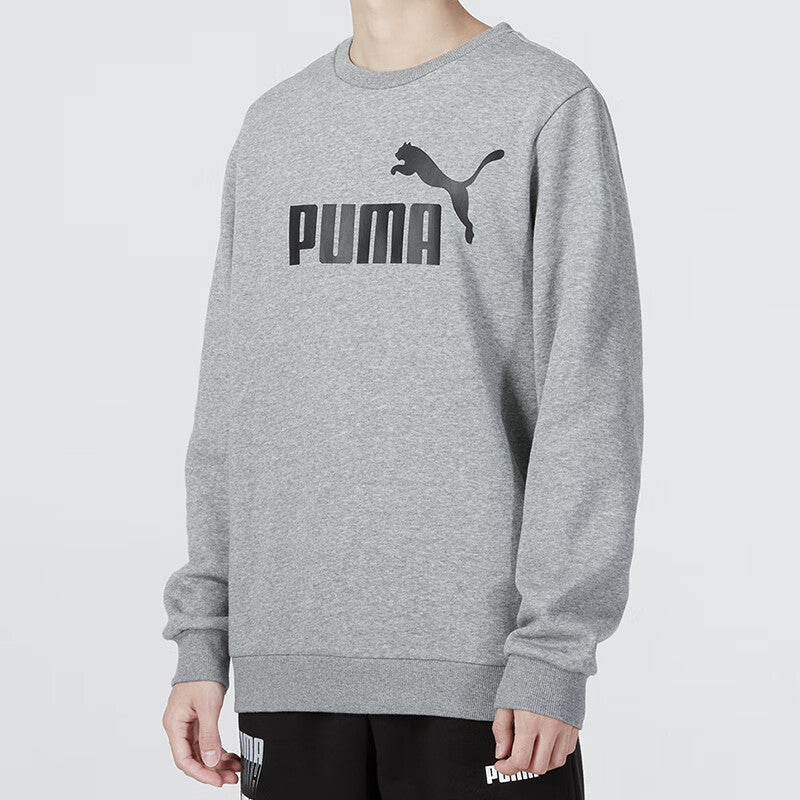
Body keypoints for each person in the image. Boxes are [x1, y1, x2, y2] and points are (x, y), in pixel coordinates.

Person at [161, 1, 642, 797]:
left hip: (485, 679)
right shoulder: (276, 126)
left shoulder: (546, 103)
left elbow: (590, 395)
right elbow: (231, 399)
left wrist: (553, 650)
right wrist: (202, 637)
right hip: (290, 665)